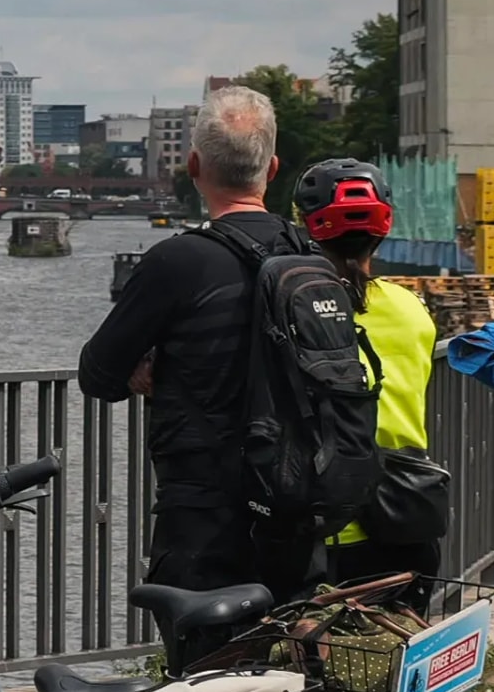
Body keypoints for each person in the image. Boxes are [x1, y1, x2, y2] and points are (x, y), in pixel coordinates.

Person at [78, 82, 326, 600]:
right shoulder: (311, 256)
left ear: (193, 166)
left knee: (204, 668)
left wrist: (151, 366)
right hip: (300, 498)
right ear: (273, 168)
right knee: (289, 658)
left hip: (205, 508)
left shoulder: (178, 261)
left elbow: (97, 374)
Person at [293, 158, 445, 604]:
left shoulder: (299, 307)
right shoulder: (411, 308)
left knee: (310, 659)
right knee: (397, 653)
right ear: (385, 225)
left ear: (307, 225)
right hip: (405, 510)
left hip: (331, 525)